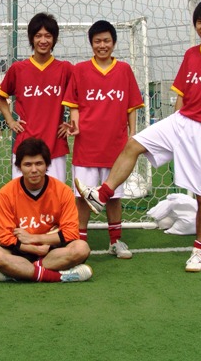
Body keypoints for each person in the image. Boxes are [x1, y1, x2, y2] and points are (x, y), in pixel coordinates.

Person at [75, 0, 201, 272]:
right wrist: (175, 122)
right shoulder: (191, 54)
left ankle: (199, 252)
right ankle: (102, 194)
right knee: (134, 144)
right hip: (181, 121)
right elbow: (181, 94)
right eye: (200, 21)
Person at [62, 20, 144, 259]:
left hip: (116, 146)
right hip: (86, 146)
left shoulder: (124, 70)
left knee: (113, 197)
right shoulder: (80, 70)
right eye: (97, 41)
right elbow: (73, 105)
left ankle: (115, 241)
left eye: (106, 41)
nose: (102, 45)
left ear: (114, 43)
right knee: (82, 197)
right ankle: (80, 242)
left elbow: (131, 106)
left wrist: (132, 133)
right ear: (91, 44)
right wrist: (75, 125)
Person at [0, 137, 93, 282]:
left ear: (47, 164)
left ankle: (18, 271)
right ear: (19, 167)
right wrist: (34, 248)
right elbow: (5, 237)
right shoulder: (6, 193)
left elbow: (71, 232)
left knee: (82, 248)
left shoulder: (63, 191)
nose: (34, 170)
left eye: (39, 163)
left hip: (52, 250)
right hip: (20, 251)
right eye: (28, 164)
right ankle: (58, 276)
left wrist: (35, 239)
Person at [0, 13, 73, 181]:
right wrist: (10, 121)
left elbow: (80, 98)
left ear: (55, 39)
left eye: (48, 36)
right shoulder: (18, 69)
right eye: (38, 36)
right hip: (25, 146)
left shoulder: (65, 69)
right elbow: (0, 95)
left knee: (54, 194)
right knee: (22, 194)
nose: (43, 40)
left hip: (55, 146)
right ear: (31, 38)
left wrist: (73, 123)